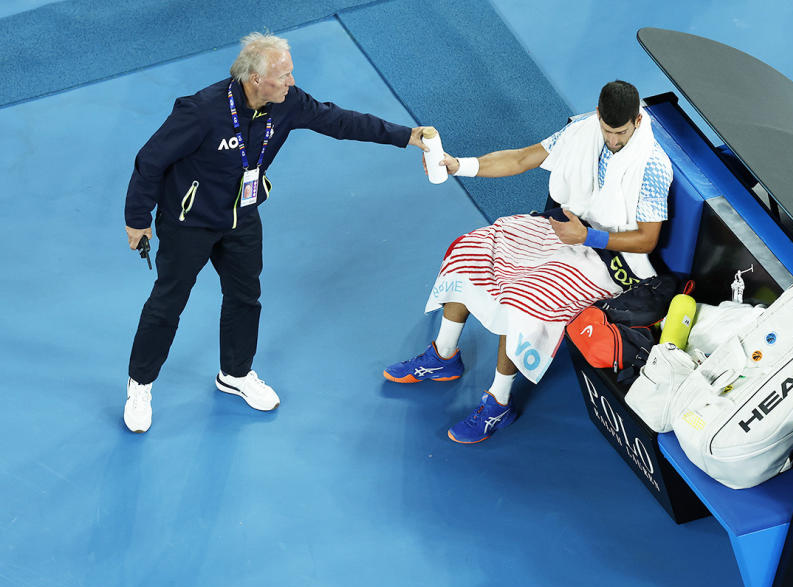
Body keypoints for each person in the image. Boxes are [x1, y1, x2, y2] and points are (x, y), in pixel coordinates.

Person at [123, 32, 430, 433]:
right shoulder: (201, 111)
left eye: (290, 73)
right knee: (168, 302)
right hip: (189, 221)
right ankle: (140, 385)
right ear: (255, 80)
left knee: (245, 297)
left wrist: (406, 136)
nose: (292, 82)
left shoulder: (287, 104)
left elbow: (339, 121)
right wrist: (137, 219)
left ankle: (235, 374)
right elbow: (150, 160)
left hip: (243, 217)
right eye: (284, 75)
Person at [384, 80, 673, 444]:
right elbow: (522, 158)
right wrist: (459, 165)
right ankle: (443, 356)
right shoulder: (581, 132)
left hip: (609, 258)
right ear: (598, 116)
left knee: (521, 298)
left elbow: (647, 239)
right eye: (607, 130)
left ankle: (498, 403)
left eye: (621, 132)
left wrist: (587, 237)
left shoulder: (652, 166)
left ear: (637, 120)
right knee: (472, 247)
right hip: (563, 228)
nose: (613, 140)